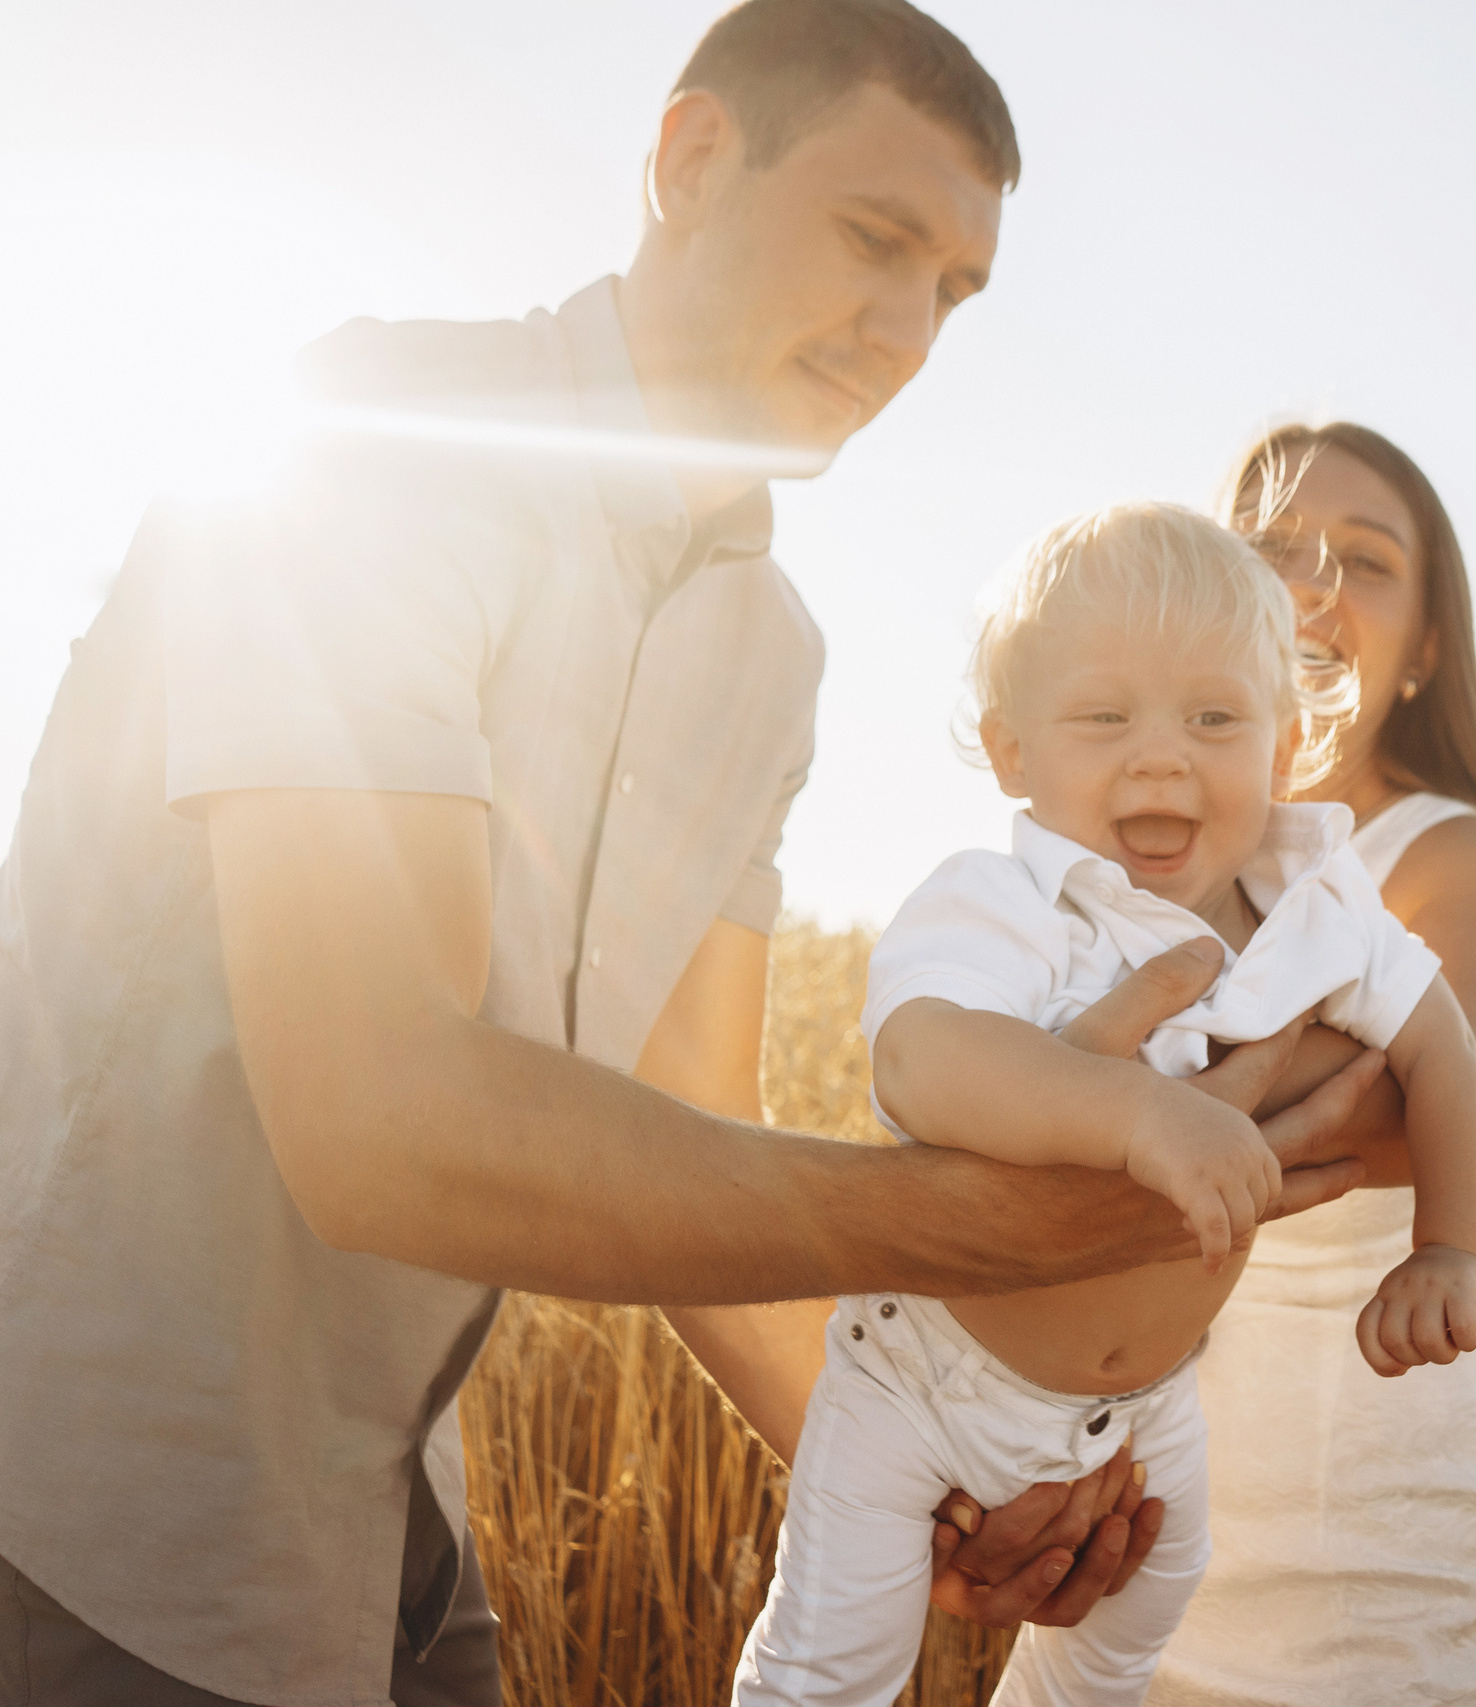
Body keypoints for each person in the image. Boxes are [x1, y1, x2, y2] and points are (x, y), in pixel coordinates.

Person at [0, 8, 1378, 1705]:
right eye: (876, 242)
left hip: (387, 1541)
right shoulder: (372, 447)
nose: (904, 334)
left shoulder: (766, 651)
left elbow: (698, 1145)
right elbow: (377, 1120)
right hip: (71, 1516)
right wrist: (979, 1225)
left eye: (952, 291)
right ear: (691, 162)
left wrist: (955, 1472)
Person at [733, 502, 1476, 1706]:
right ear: (1010, 752)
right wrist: (1139, 1117)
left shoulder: (1322, 911)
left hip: (1142, 1411)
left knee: (1128, 1640)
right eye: (1103, 717)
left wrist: (1452, 1245)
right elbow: (923, 1060)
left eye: (1213, 718)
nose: (1160, 756)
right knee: (825, 1672)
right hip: (923, 1387)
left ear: (1286, 743)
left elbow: (1443, 1047)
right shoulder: (1008, 904)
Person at [1149, 424, 1476, 1706]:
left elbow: (1393, 1118)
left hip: (1367, 1527)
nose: (1312, 585)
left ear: (1427, 649)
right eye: (1270, 547)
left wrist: (1108, 1082)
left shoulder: (1458, 856)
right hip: (1138, 1502)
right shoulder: (1139, 834)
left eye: (1365, 562)